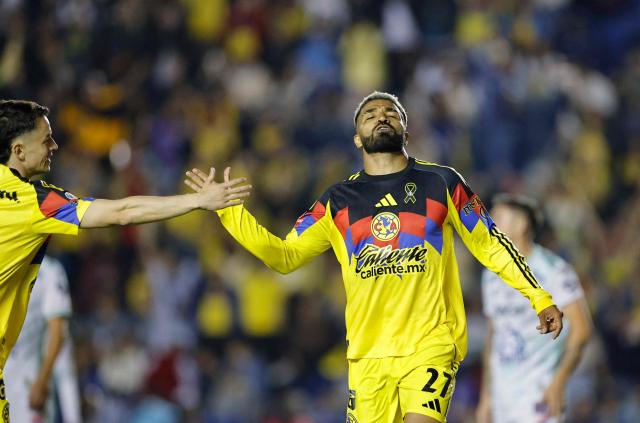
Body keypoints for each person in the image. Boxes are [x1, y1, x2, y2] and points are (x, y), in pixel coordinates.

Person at [185, 91, 564, 423]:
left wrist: (539, 297)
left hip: (429, 345)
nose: (381, 117)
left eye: (391, 113)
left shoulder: (443, 182)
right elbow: (284, 257)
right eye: (370, 114)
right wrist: (228, 211)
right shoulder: (337, 201)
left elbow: (491, 243)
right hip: (368, 357)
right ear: (356, 138)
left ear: (406, 132)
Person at [0, 99, 250, 421]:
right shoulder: (35, 201)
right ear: (18, 150)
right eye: (46, 139)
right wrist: (199, 200)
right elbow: (121, 212)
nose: (55, 145)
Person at [475, 194, 592, 423]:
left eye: (497, 218)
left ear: (521, 225)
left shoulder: (553, 270)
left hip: (539, 396)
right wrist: (485, 398)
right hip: (502, 398)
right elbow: (494, 336)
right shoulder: (491, 274)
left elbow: (582, 330)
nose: (489, 225)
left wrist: (559, 381)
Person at [4, 255, 80, 423]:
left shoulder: (49, 271)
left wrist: (42, 380)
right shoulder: (6, 258)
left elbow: (57, 333)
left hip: (28, 381)